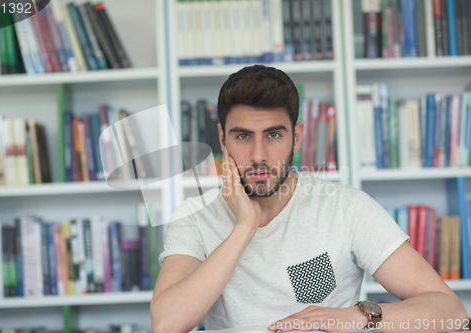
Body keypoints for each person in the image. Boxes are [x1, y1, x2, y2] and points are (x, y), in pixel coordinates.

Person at [150, 65, 467, 333]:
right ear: (222, 138)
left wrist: (355, 317)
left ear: (296, 137)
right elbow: (166, 323)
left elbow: (452, 313)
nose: (259, 155)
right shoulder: (193, 216)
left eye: (273, 135)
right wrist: (244, 226)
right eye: (243, 136)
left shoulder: (345, 207)